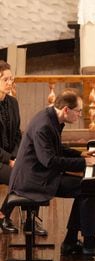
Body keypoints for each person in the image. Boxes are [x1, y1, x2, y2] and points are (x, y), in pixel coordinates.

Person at [8, 88, 95, 257]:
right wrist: (84, 162)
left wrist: (81, 154)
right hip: (33, 180)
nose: (80, 115)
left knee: (84, 188)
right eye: (79, 111)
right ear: (66, 110)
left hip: (40, 173)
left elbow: (57, 148)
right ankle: (88, 244)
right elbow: (50, 161)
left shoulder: (52, 117)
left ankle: (71, 242)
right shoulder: (44, 126)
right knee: (87, 188)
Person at [0, 60, 47, 235]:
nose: (10, 83)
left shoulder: (13, 103)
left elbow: (18, 135)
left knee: (36, 169)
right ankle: (3, 215)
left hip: (12, 157)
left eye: (11, 79)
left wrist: (19, 156)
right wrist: (11, 160)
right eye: (6, 79)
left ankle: (30, 220)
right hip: (1, 160)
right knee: (22, 176)